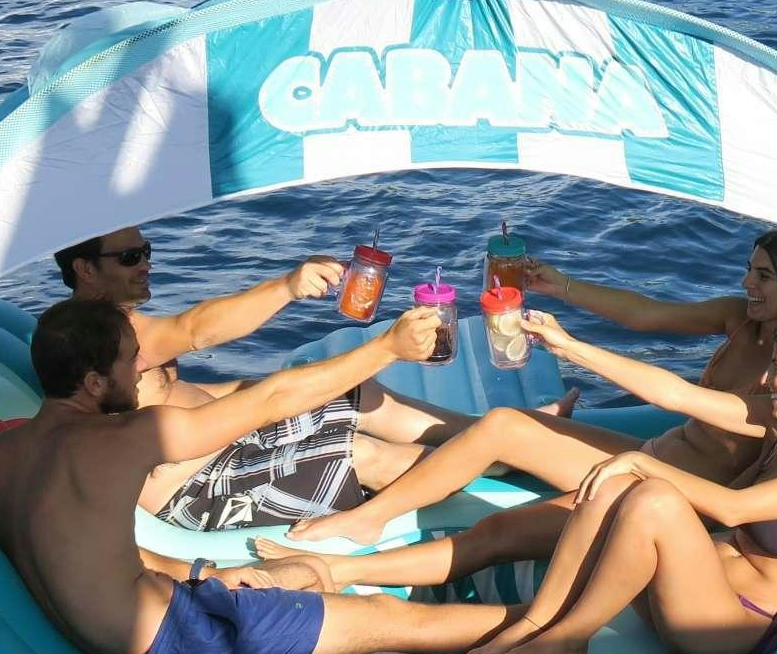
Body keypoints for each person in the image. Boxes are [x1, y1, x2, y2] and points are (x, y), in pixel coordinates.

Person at [261, 305, 777, 654]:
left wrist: (639, 469)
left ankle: (568, 640)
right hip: (684, 581)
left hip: (724, 622)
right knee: (587, 502)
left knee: (649, 497)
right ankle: (534, 620)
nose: (769, 382)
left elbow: (731, 508)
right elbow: (671, 393)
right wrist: (571, 346)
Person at [0, 297, 524, 654]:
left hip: (146, 637)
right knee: (389, 619)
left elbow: (87, 558)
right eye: (129, 362)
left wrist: (207, 573)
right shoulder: (122, 439)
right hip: (182, 645)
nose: (141, 368)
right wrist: (386, 348)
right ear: (95, 382)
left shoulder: (1, 454)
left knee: (300, 576)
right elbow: (271, 402)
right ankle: (547, 624)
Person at [285, 226, 777, 546]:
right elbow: (644, 314)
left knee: (505, 426)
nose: (748, 283)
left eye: (764, 277)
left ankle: (370, 517)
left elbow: (675, 396)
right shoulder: (738, 318)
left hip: (672, 491)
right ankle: (378, 416)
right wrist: (562, 286)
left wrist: (572, 347)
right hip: (650, 453)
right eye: (749, 269)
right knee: (515, 428)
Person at [54, 225, 557, 530]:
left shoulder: (114, 326)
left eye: (146, 251)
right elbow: (197, 330)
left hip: (217, 441)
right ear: (85, 269)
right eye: (128, 257)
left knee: (351, 390)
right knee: (359, 454)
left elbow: (178, 395)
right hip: (195, 487)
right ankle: (507, 459)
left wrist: (253, 392)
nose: (144, 265)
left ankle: (491, 433)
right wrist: (287, 286)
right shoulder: (102, 341)